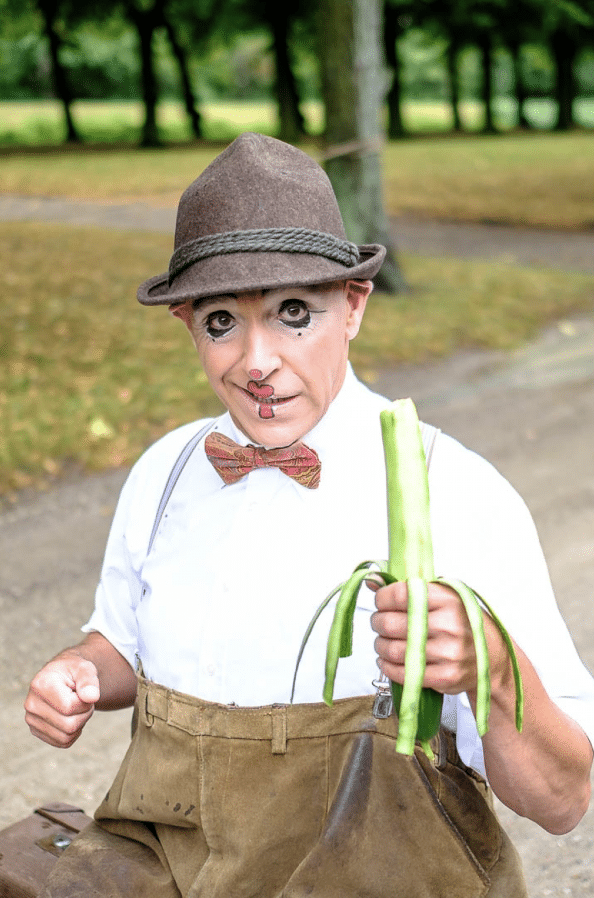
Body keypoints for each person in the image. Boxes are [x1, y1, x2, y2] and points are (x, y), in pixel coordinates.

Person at [25, 132, 594, 898]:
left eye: (294, 312)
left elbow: (562, 803)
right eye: (223, 321)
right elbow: (122, 640)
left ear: (353, 305)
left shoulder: (455, 492)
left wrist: (490, 668)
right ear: (187, 323)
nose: (256, 362)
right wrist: (80, 671)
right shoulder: (165, 472)